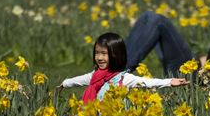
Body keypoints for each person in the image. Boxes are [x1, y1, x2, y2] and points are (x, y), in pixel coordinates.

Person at [59, 32, 188, 103]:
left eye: (104, 54)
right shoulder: (95, 75)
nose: (99, 57)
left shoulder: (123, 79)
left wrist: (169, 82)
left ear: (116, 55)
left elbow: (147, 82)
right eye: (97, 53)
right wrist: (65, 84)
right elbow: (79, 80)